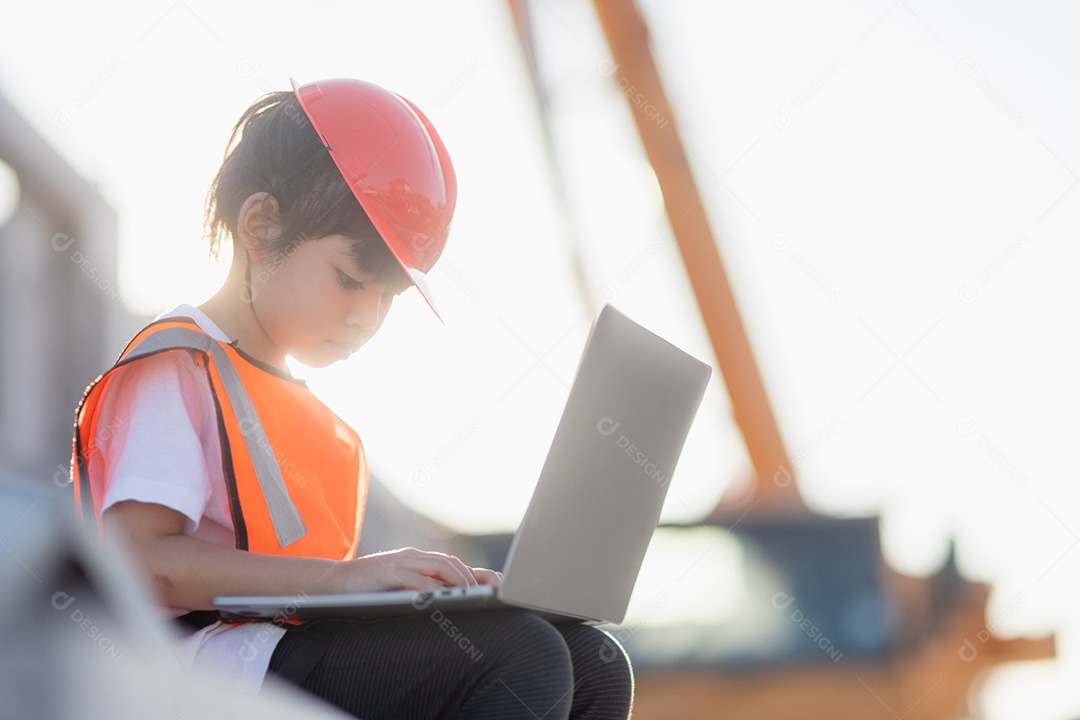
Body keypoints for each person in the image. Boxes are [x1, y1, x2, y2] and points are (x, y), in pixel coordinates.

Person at [69, 78, 633, 719]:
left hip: (278, 654)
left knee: (594, 663)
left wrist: (424, 592)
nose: (368, 318)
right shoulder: (177, 366)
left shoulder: (314, 422)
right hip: (189, 674)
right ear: (260, 224)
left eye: (388, 297)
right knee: (519, 655)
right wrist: (347, 580)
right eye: (350, 280)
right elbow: (139, 559)